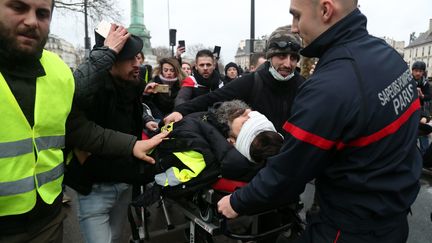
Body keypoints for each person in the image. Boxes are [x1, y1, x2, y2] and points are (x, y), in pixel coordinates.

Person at [217, 1, 422, 243]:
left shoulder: (328, 88)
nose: (294, 27)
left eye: (297, 16)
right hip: (393, 217)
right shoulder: (387, 55)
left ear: (325, 10)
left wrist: (237, 201)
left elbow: (288, 173)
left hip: (349, 228)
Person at [0, 1, 166, 242]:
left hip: (48, 216)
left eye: (43, 13)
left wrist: (136, 138)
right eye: (17, 7)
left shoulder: (57, 70)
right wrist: (105, 55)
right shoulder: (94, 84)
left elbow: (76, 126)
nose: (31, 21)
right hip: (93, 186)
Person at [69, 26, 163, 243]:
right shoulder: (90, 93)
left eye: (137, 57)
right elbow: (77, 124)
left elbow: (128, 119)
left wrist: (146, 120)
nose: (137, 63)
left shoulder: (132, 86)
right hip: (95, 187)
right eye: (130, 59)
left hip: (124, 182)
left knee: (116, 238)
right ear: (110, 61)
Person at [166, 26, 305, 136]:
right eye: (281, 56)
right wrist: (181, 110)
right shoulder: (252, 81)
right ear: (270, 57)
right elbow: (213, 97)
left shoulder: (303, 85)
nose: (288, 64)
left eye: (293, 58)